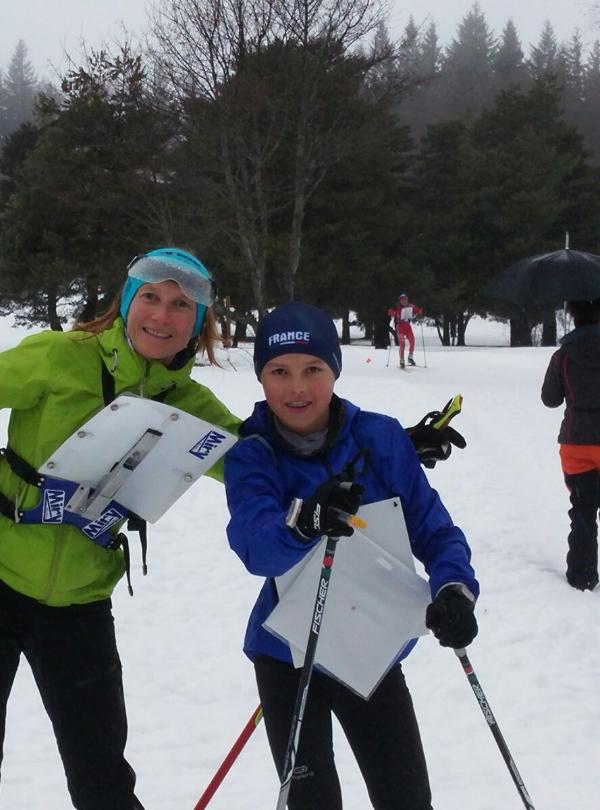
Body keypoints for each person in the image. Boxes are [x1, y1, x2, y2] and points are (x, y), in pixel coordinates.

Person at [0, 248, 241, 809]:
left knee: (103, 780)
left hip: (80, 602)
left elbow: (260, 466)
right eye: (150, 297)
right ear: (125, 302)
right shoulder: (57, 356)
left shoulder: (190, 407)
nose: (162, 317)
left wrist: (363, 452)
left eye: (181, 305)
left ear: (199, 322)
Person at [224, 301, 479, 810]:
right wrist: (305, 522)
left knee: (405, 798)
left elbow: (435, 530)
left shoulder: (380, 438)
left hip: (369, 647)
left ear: (334, 370)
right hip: (286, 654)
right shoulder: (252, 453)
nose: (297, 388)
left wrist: (455, 589)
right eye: (279, 371)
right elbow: (256, 544)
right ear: (261, 378)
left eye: (313, 369)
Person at [541, 298, 600, 591]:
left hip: (576, 445)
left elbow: (549, 399)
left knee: (583, 511)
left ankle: (582, 574)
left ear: (573, 317)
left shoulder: (563, 356)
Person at [388, 292, 424, 369]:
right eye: (402, 300)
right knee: (402, 344)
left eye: (405, 300)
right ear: (400, 301)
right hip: (399, 327)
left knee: (412, 341)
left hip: (407, 326)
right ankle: (401, 360)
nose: (404, 301)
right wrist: (392, 312)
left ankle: (410, 357)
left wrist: (420, 311)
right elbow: (390, 312)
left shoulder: (410, 306)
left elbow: (417, 310)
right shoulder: (396, 306)